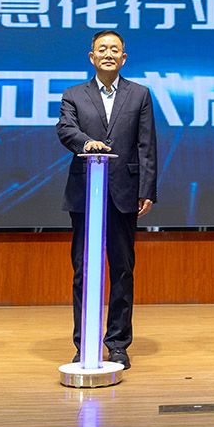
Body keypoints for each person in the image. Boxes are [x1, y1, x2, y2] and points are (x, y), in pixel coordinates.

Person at [56, 30, 158, 369]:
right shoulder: (74, 94)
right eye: (102, 49)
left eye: (115, 49)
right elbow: (65, 129)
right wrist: (87, 143)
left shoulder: (140, 94)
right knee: (83, 271)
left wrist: (147, 189)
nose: (109, 54)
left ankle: (117, 343)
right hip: (85, 192)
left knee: (123, 270)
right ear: (92, 56)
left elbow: (147, 144)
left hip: (124, 193)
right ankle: (84, 342)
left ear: (124, 57)